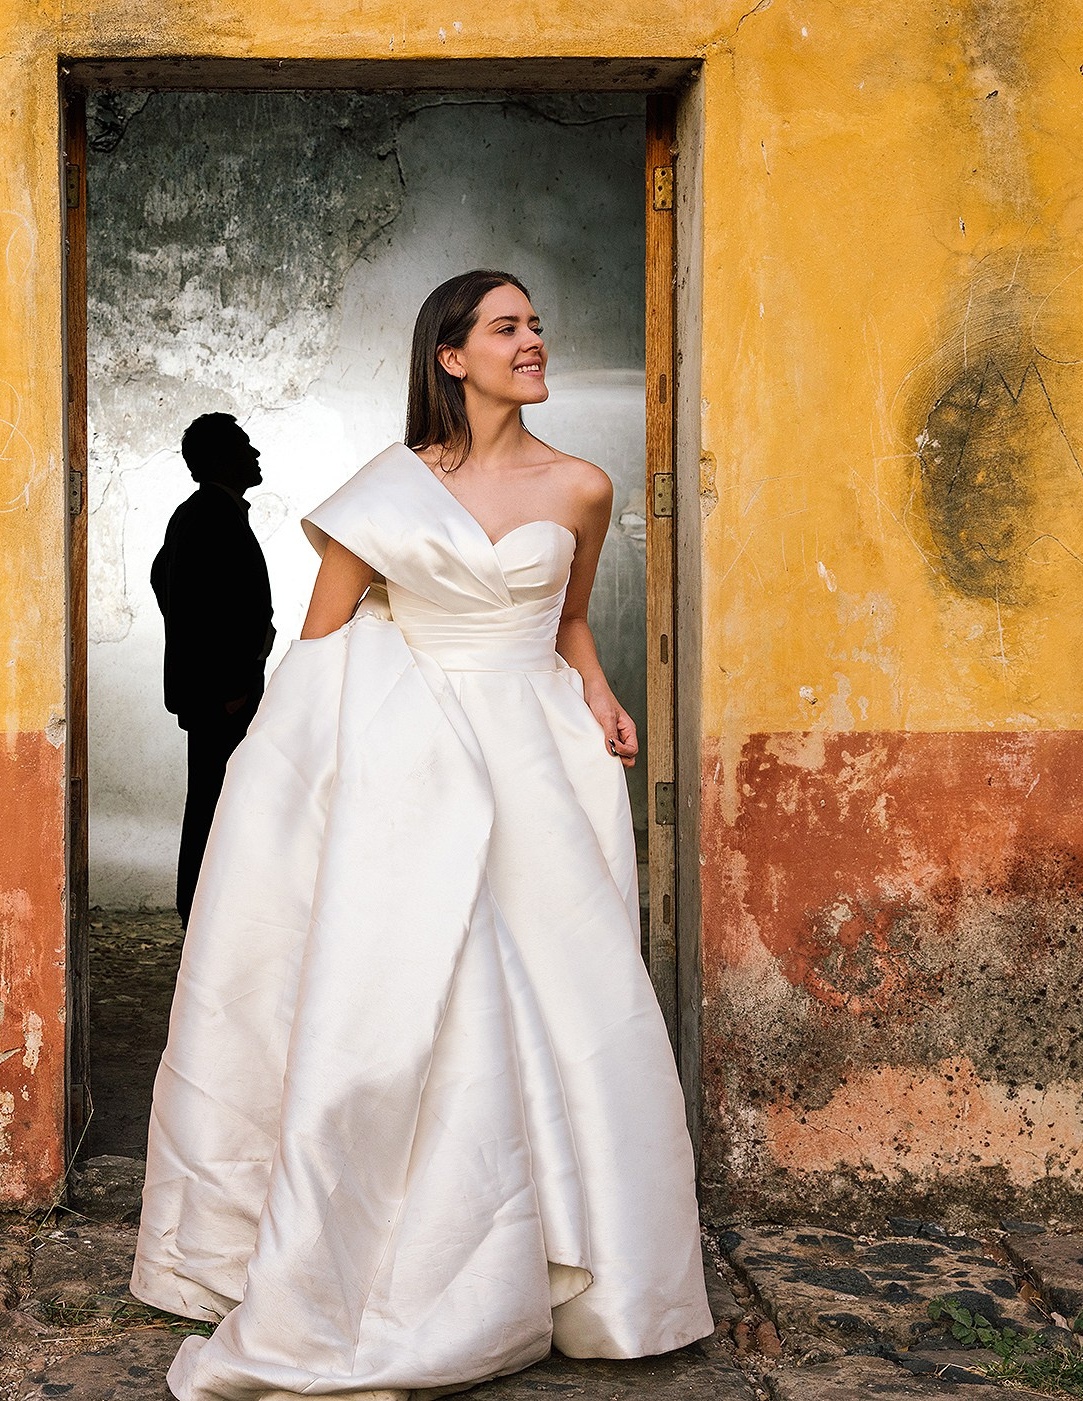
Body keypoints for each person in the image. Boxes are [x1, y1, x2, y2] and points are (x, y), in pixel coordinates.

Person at [131, 270, 713, 1400]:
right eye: (509, 327)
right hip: (413, 770)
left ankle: (576, 1258)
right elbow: (324, 647)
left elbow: (572, 618)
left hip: (539, 762)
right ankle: (419, 1250)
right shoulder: (387, 493)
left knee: (565, 1000)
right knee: (426, 995)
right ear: (453, 355)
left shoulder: (584, 486)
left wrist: (597, 693)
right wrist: (295, 800)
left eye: (538, 323)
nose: (534, 340)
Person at [149, 412, 275, 927]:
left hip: (219, 692)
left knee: (214, 798)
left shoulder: (201, 515)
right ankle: (201, 914)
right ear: (222, 458)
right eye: (245, 445)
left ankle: (205, 912)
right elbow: (199, 605)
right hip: (222, 696)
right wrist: (229, 686)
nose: (256, 454)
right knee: (213, 803)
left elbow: (164, 581)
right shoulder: (207, 517)